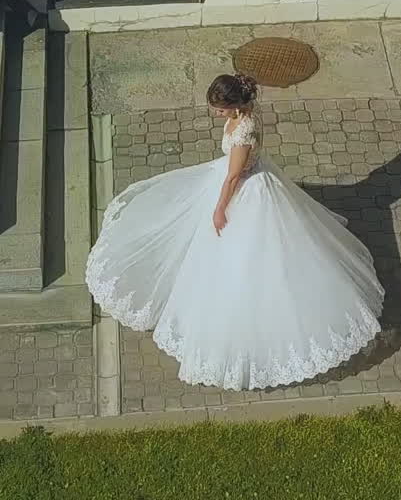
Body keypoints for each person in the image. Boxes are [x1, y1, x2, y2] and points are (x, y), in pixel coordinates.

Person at [85, 71, 384, 390]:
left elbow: (232, 178)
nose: (216, 114)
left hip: (246, 190)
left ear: (236, 106)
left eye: (220, 109)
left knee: (244, 255)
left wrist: (219, 209)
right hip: (242, 175)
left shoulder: (243, 133)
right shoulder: (244, 114)